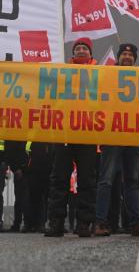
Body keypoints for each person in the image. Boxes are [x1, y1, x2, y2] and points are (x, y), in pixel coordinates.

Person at [44, 38, 99, 237]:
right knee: (59, 179)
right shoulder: (63, 74)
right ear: (73, 54)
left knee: (87, 180)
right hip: (65, 133)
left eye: (85, 48)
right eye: (78, 48)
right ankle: (56, 222)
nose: (81, 50)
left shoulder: (101, 75)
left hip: (88, 133)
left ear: (91, 54)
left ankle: (84, 223)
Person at [95, 42, 139, 236]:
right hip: (112, 134)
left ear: (134, 59)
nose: (127, 57)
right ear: (118, 57)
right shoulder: (107, 77)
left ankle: (135, 222)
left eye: (130, 55)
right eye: (124, 54)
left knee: (132, 181)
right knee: (106, 181)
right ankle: (101, 222)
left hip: (134, 135)